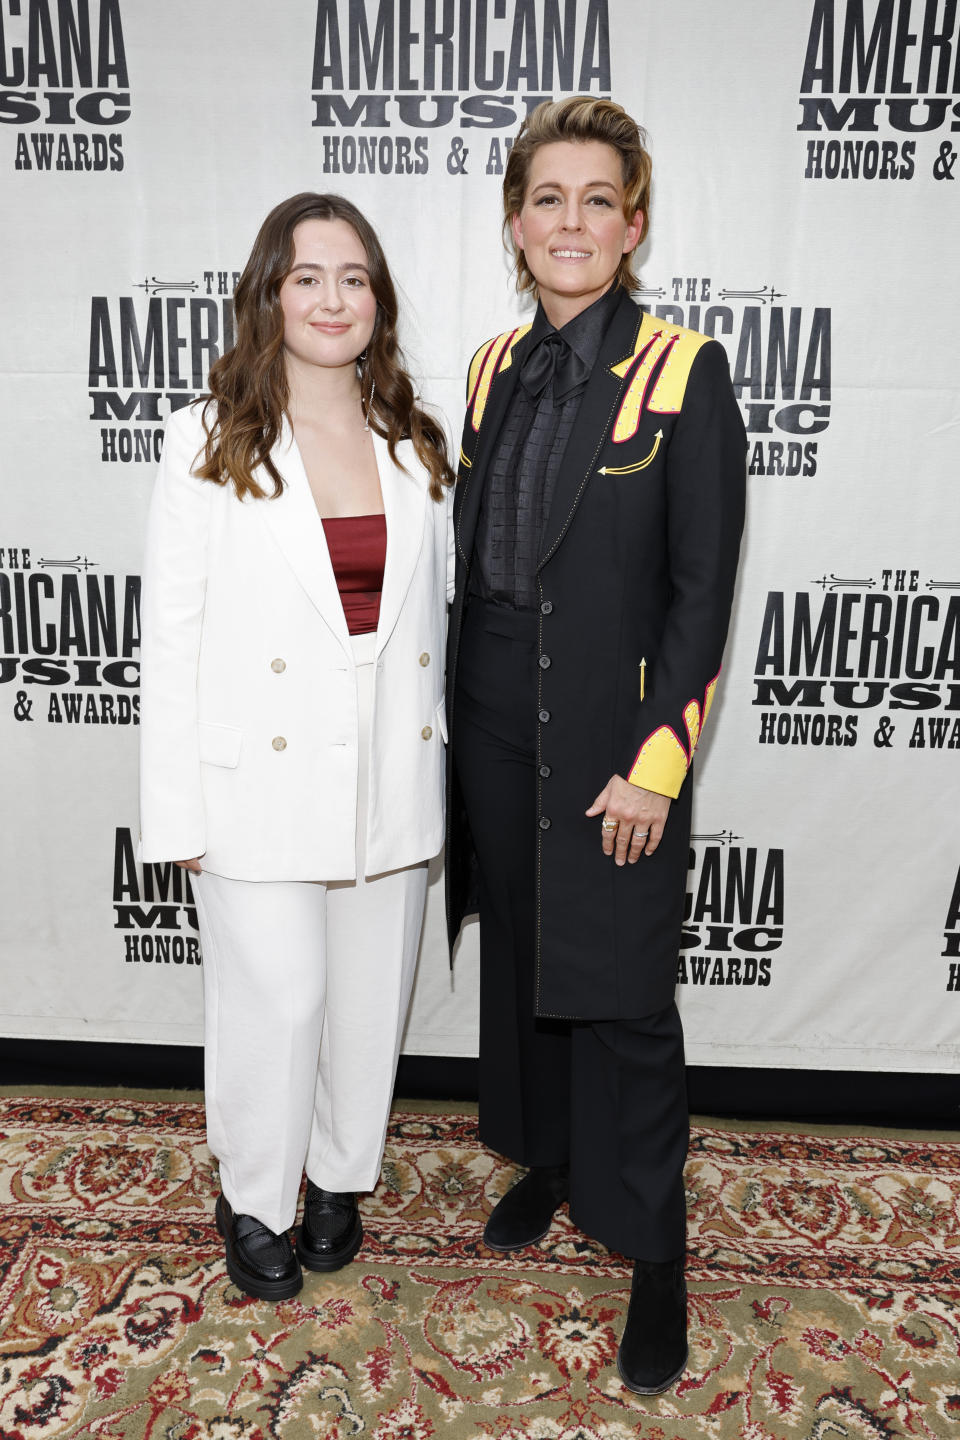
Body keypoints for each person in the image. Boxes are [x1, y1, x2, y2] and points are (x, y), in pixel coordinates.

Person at [445, 98, 746, 1393]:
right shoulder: (486, 369)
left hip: (616, 739)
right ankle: (554, 1164)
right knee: (525, 962)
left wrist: (657, 764)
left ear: (635, 222)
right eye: (547, 199)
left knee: (623, 1000)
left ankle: (657, 1254)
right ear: (516, 223)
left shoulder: (687, 370)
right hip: (495, 717)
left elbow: (702, 596)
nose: (572, 222)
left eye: (597, 199)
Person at [140, 192, 454, 1301]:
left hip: (386, 772)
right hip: (254, 785)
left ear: (380, 300)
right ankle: (256, 1196)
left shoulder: (413, 440)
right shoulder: (207, 435)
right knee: (275, 1001)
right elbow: (170, 637)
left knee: (369, 1000)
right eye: (309, 276)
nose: (333, 298)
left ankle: (336, 1178)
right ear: (269, 292)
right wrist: (172, 809)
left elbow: (432, 628)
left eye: (355, 277)